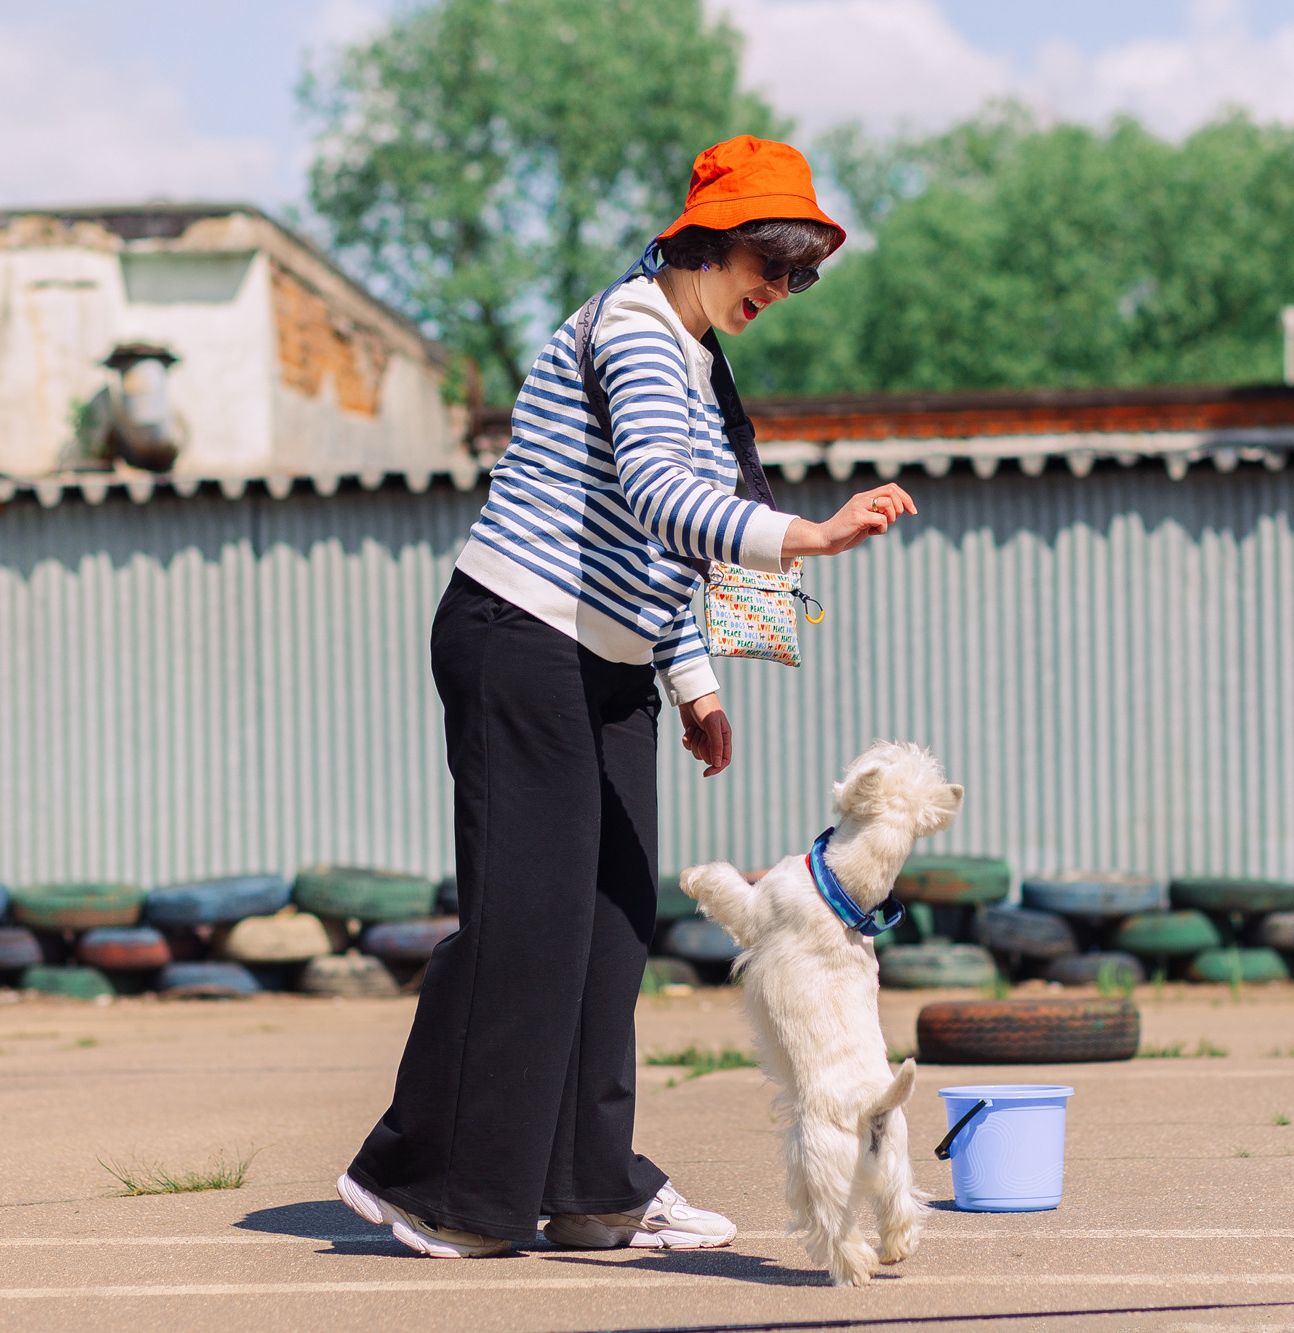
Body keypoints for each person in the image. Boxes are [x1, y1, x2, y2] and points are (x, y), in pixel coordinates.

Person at [336, 135, 918, 1258]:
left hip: (599, 658)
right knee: (530, 921)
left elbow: (649, 555)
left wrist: (692, 682)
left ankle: (588, 1187)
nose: (780, 289)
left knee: (608, 925)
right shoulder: (638, 331)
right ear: (708, 238)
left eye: (799, 274)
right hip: (519, 637)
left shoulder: (698, 361)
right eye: (771, 261)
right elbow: (658, 496)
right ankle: (429, 1184)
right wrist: (807, 531)